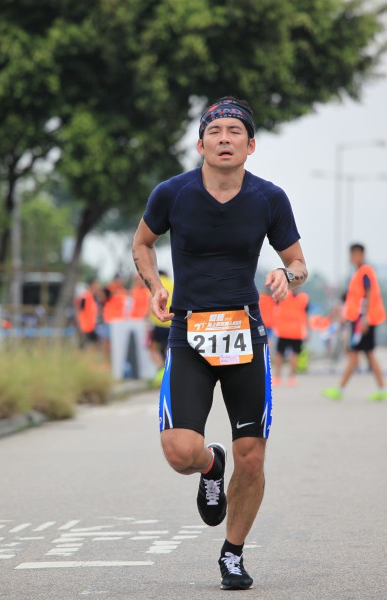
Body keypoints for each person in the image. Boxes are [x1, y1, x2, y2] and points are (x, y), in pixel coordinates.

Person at [132, 96, 308, 590]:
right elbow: (142, 242)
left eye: (235, 132)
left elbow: (299, 262)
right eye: (215, 131)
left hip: (244, 335)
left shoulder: (269, 198)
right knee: (178, 452)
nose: (224, 139)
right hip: (188, 332)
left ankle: (233, 553)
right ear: (201, 144)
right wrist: (155, 287)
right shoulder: (172, 193)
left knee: (251, 453)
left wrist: (286, 274)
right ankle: (211, 464)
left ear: (251, 145)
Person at [323, 243, 386, 401]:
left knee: (359, 355)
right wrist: (342, 313)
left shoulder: (365, 271)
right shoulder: (358, 273)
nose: (352, 258)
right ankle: (379, 389)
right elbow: (352, 298)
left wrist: (364, 319)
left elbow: (368, 294)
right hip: (360, 320)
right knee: (362, 354)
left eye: (354, 255)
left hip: (363, 321)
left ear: (361, 255)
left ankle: (341, 389)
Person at [272, 289, 309, 386]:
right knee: (294, 354)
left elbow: (274, 305)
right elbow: (306, 314)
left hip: (283, 330)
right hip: (297, 331)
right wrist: (307, 331)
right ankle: (291, 378)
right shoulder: (304, 298)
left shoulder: (283, 295)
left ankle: (277, 377)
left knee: (280, 354)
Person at [147, 270, 174, 387]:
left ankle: (161, 369)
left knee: (152, 348)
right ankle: (170, 371)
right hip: (172, 323)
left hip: (157, 323)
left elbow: (149, 305)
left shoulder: (154, 286)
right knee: (169, 349)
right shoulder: (172, 284)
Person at [74, 277, 101, 348]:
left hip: (91, 327)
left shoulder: (94, 297)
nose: (98, 286)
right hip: (84, 327)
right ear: (91, 285)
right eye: (96, 284)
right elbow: (78, 308)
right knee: (84, 347)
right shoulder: (85, 296)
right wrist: (79, 322)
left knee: (94, 345)